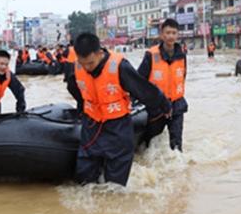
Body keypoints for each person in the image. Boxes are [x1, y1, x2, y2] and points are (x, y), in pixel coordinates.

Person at [66, 33, 171, 186]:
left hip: (118, 126)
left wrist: (164, 105)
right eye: (83, 64)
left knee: (116, 182)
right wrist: (82, 106)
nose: (87, 68)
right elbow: (73, 87)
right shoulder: (76, 66)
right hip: (91, 125)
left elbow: (143, 89)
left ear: (99, 53)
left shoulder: (119, 66)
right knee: (85, 174)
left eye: (90, 63)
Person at [138, 18, 189, 151]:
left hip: (176, 105)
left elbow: (183, 77)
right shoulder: (150, 55)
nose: (171, 36)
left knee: (177, 145)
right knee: (150, 145)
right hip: (156, 107)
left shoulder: (182, 55)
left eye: (174, 33)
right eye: (168, 33)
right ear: (162, 34)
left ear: (177, 35)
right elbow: (140, 80)